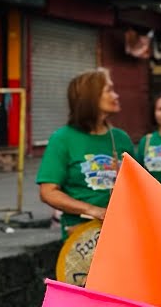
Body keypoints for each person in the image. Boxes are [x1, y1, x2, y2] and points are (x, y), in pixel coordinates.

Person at [37, 69, 136, 236]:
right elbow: (48, 192)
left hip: (121, 231)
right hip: (82, 235)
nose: (116, 95)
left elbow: (137, 187)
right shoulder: (62, 139)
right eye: (109, 90)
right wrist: (93, 210)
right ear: (92, 97)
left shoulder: (121, 138)